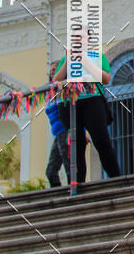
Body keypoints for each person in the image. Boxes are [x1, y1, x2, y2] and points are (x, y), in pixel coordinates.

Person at [53, 29, 121, 182]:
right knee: (76, 145)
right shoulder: (65, 60)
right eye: (75, 37)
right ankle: (79, 184)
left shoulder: (97, 56)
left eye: (81, 36)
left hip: (92, 100)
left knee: (101, 140)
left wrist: (85, 61)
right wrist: (67, 61)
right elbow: (56, 81)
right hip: (70, 104)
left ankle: (116, 179)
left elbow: (106, 79)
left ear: (88, 39)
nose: (77, 39)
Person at [45, 61, 70, 187]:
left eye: (55, 69)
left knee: (68, 164)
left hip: (64, 130)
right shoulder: (49, 90)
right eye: (51, 70)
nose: (52, 72)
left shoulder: (64, 89)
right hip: (58, 133)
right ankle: (58, 195)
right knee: (50, 171)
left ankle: (74, 191)